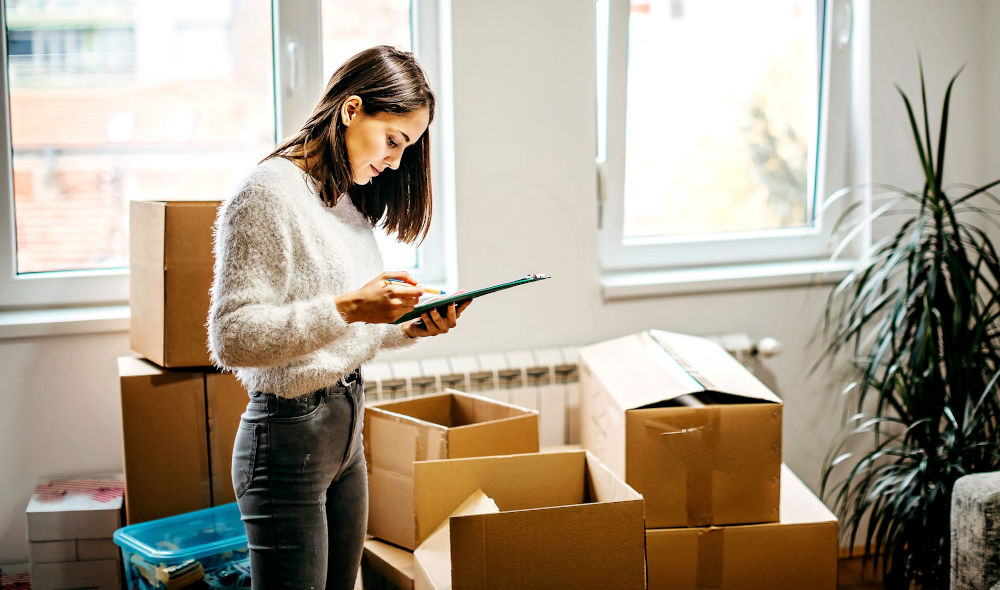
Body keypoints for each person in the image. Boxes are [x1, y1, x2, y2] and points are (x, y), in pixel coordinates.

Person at [207, 45, 469, 590]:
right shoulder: (266, 194)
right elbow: (231, 338)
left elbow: (340, 331)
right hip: (287, 437)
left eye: (408, 148)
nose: (396, 162)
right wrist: (351, 306)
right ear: (351, 110)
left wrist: (408, 324)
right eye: (394, 141)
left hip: (345, 428)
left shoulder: (342, 200)